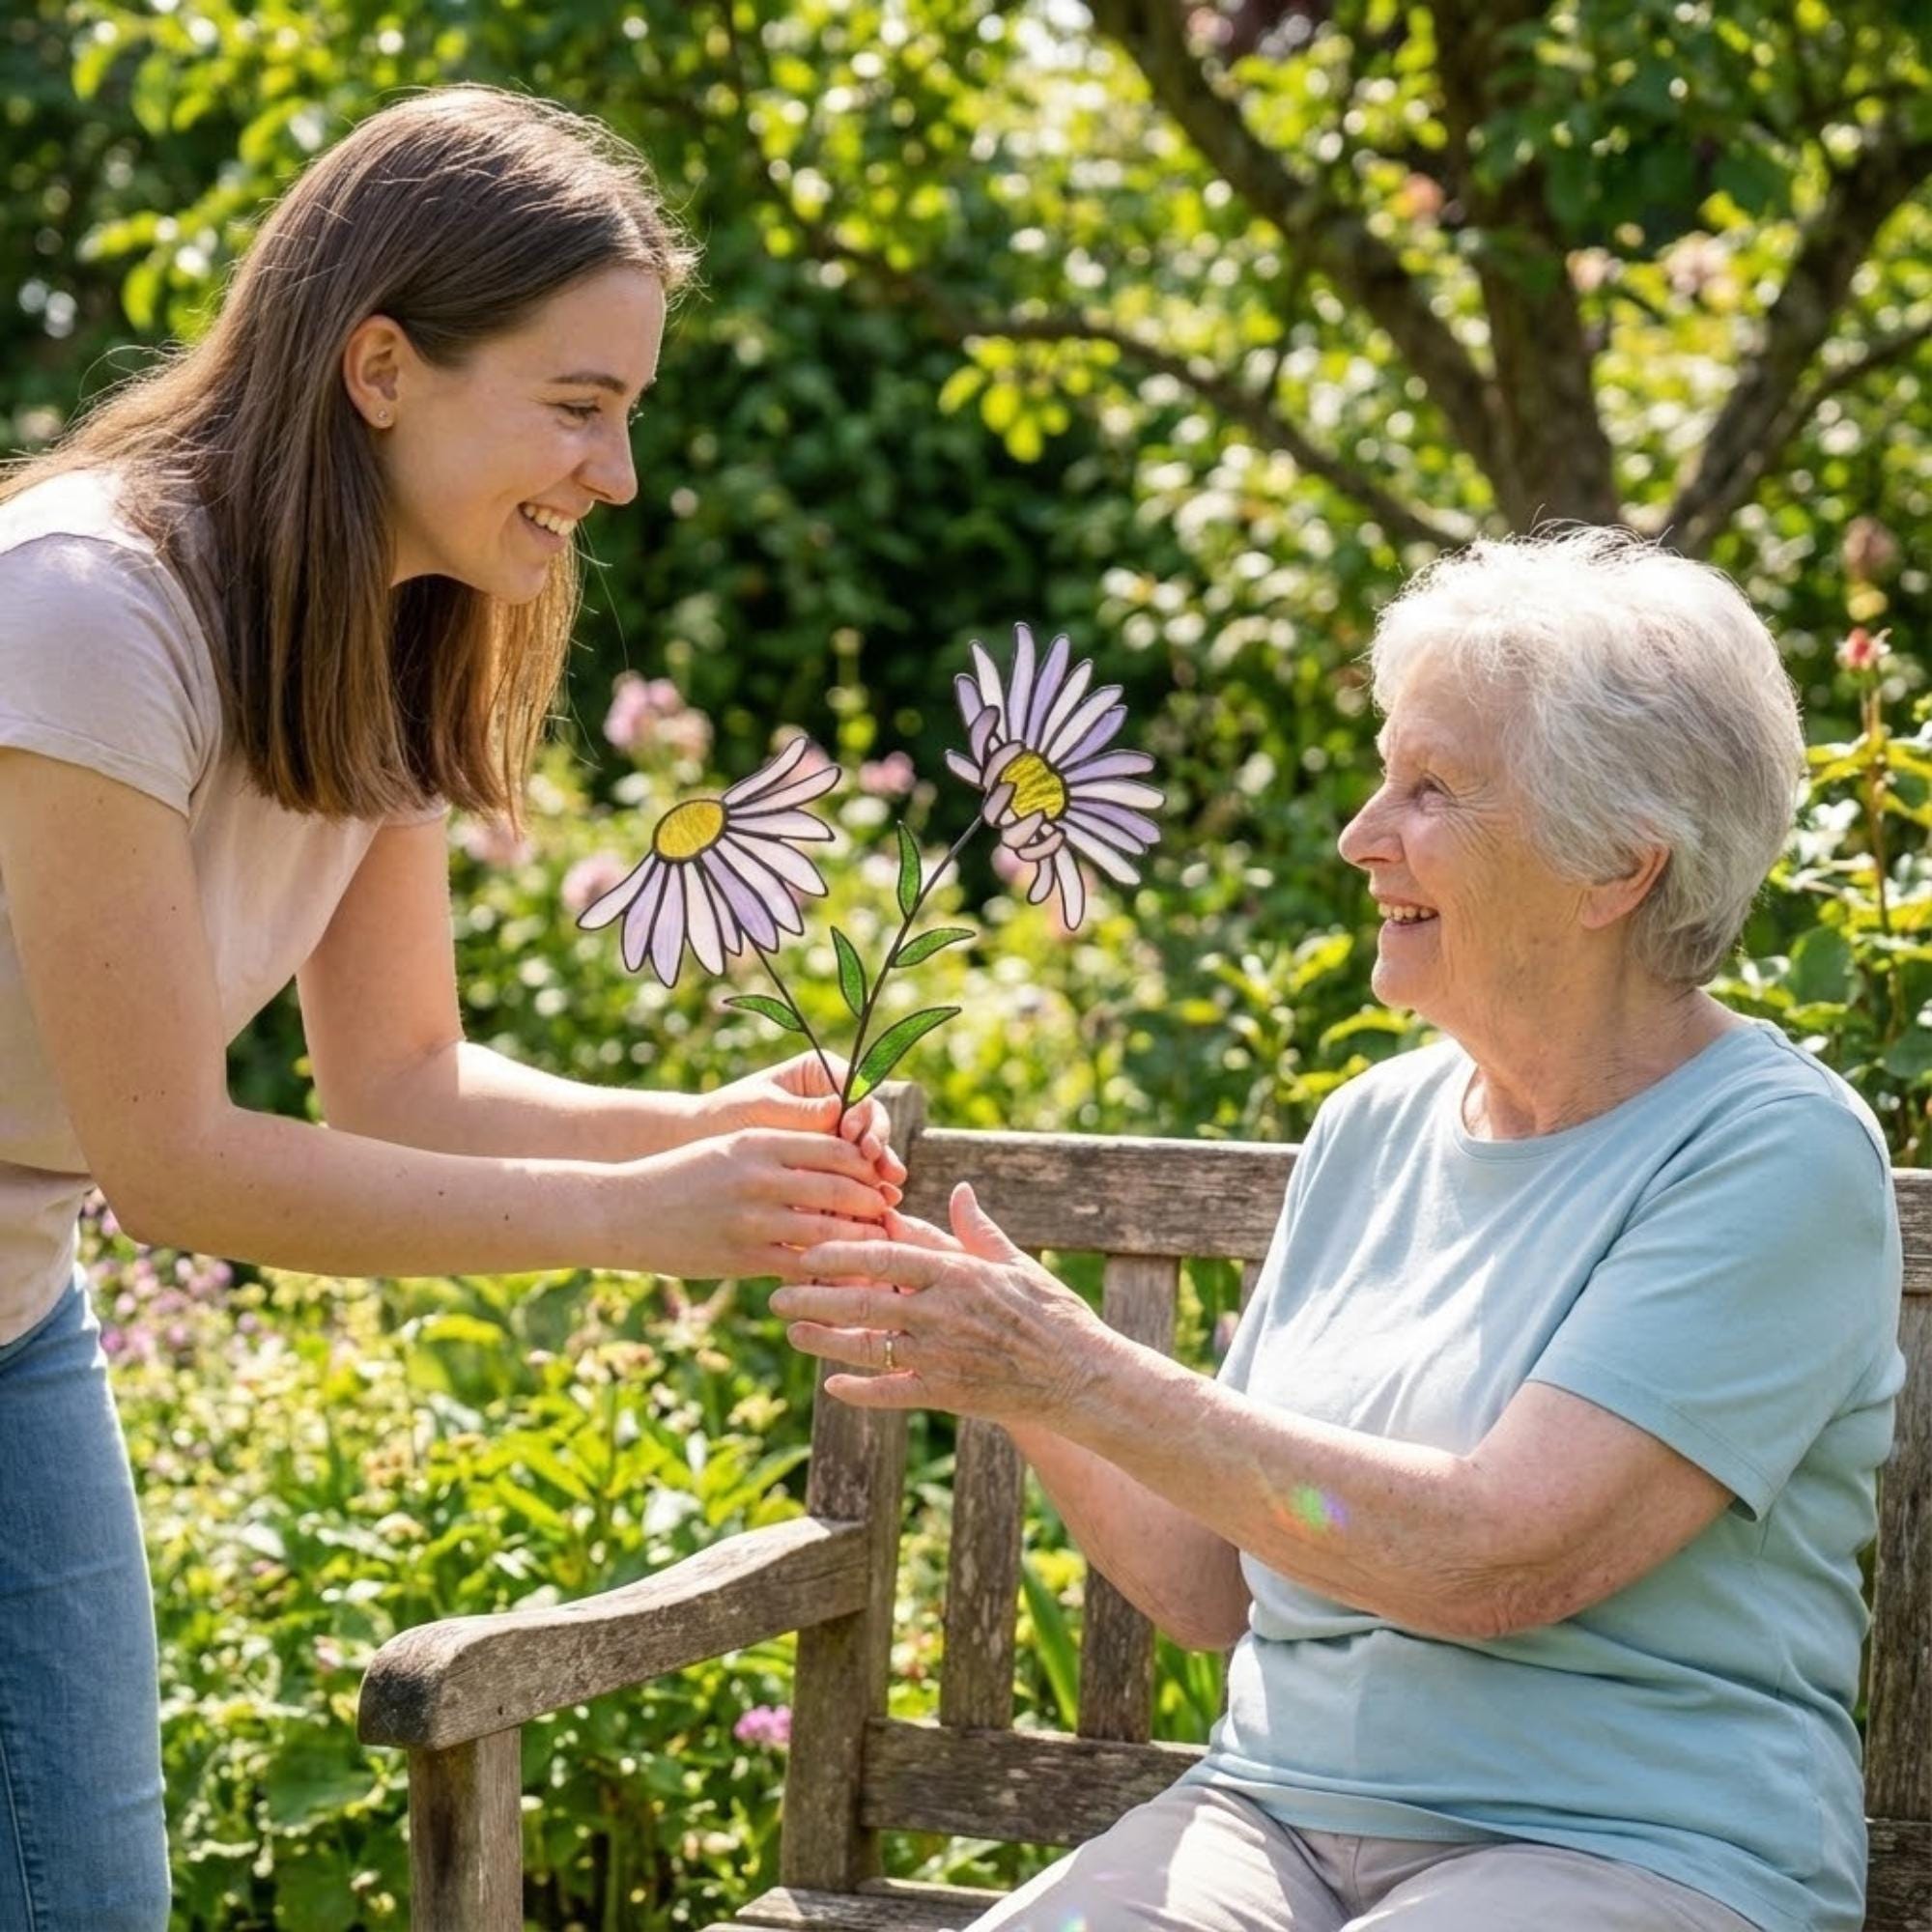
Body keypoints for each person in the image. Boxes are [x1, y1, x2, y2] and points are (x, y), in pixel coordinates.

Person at [0, 86, 902, 1931]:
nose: (617, 476)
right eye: (579, 409)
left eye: (628, 413)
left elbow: (403, 1082)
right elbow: (173, 1168)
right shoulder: (94, 609)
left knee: (85, 1895)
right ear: (383, 366)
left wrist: (715, 1133)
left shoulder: (390, 624)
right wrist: (636, 1219)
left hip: (11, 1314)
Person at [774, 528, 1905, 1932]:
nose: (1362, 834)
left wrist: (1078, 1367)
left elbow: (1502, 1556)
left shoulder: (1773, 1154)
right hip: (1274, 1821)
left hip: (1631, 1852)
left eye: (1430, 790)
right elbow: (1212, 1584)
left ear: (1617, 863)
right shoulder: (1375, 1125)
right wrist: (998, 1360)